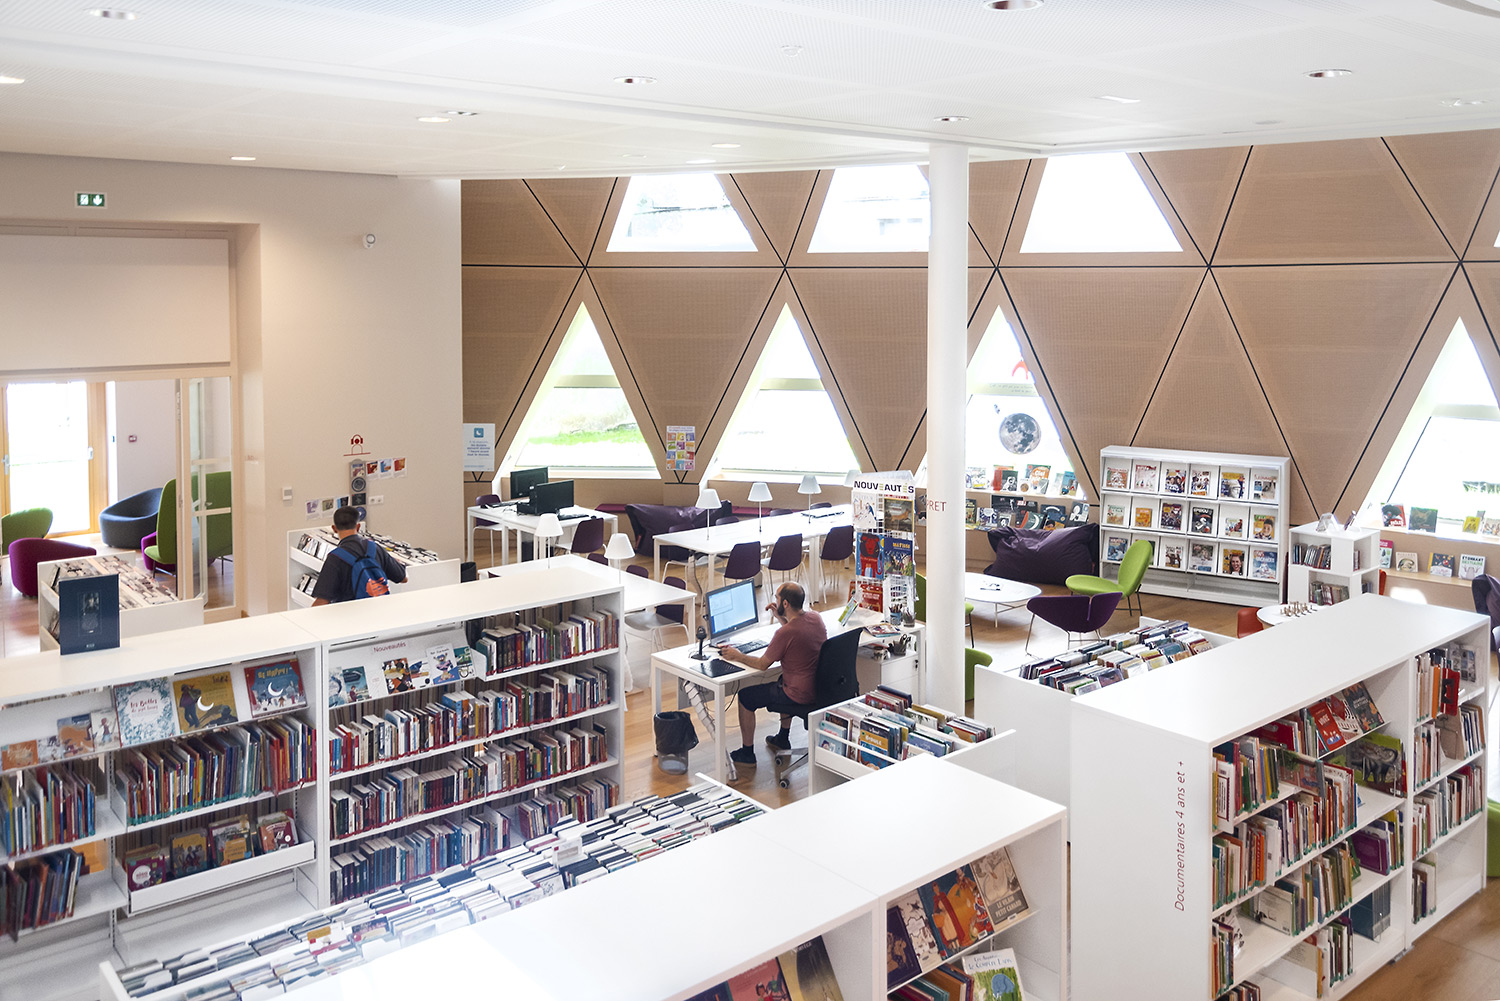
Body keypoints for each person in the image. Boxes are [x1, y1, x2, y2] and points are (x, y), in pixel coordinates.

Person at [715, 581, 826, 766]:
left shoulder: (785, 633)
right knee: (782, 679)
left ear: (785, 604)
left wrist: (737, 655)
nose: (775, 600)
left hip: (797, 694)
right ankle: (782, 738)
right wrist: (782, 618)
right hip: (818, 689)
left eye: (777, 598)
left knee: (745, 697)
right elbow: (796, 633)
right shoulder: (816, 618)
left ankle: (747, 753)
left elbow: (762, 664)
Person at [310, 505, 407, 605]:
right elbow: (403, 578)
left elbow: (322, 600)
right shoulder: (375, 548)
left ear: (334, 528)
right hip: (379, 610)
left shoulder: (335, 558)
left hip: (352, 613)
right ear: (358, 526)